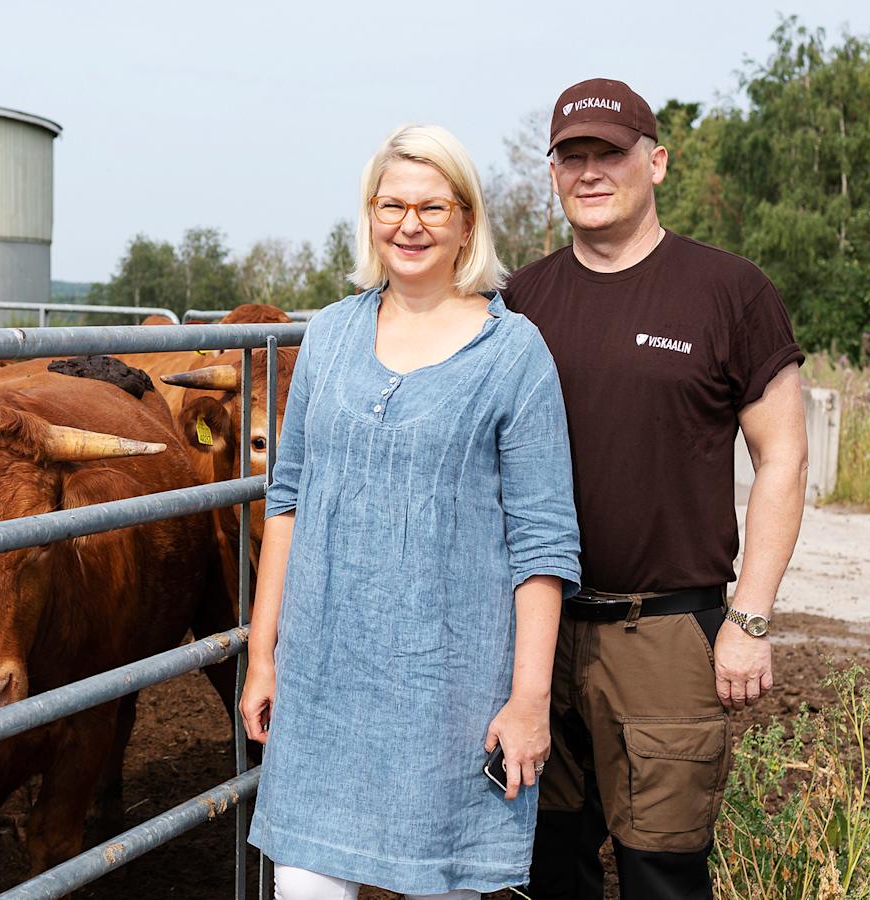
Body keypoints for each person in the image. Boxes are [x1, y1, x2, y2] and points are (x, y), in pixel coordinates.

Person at [240, 124, 582, 900]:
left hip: (448, 699)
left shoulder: (514, 354)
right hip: (322, 686)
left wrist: (529, 700)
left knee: (441, 882)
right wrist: (264, 655)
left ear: (467, 221)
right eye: (391, 205)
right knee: (304, 888)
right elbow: (286, 502)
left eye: (432, 206)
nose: (410, 224)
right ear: (370, 216)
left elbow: (543, 543)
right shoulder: (329, 336)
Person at [504, 78, 809, 900]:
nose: (590, 172)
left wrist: (749, 618)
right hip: (535, 630)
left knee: (662, 873)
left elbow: (782, 458)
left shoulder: (729, 291)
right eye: (572, 156)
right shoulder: (519, 301)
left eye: (610, 153)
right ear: (553, 173)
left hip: (666, 633)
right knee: (541, 867)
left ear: (658, 162)